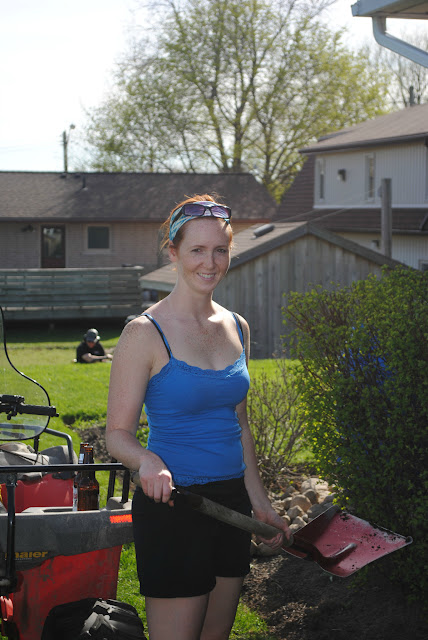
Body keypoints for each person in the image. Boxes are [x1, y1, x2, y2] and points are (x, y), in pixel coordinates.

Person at [106, 194, 290, 640]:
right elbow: (117, 434)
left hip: (231, 505)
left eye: (220, 250)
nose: (210, 263)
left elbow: (239, 424)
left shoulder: (237, 326)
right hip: (176, 504)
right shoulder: (144, 333)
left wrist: (261, 504)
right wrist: (147, 461)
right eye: (197, 250)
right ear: (173, 252)